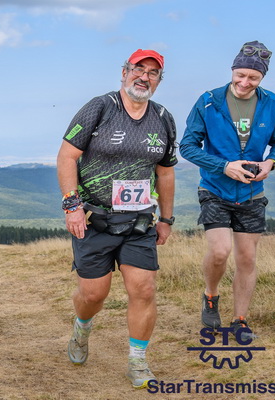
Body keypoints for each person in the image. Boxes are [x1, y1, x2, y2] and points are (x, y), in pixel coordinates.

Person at [57, 49, 177, 389]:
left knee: (144, 288)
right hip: (94, 218)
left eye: (153, 73)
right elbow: (66, 157)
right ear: (124, 72)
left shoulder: (163, 118)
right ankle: (82, 328)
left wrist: (166, 218)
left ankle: (138, 362)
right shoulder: (100, 108)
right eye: (139, 69)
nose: (144, 77)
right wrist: (72, 206)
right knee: (93, 295)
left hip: (139, 221)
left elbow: (165, 173)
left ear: (159, 81)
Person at [179, 41, 275, 340]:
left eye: (253, 77)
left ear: (262, 77)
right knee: (219, 251)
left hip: (253, 192)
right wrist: (224, 166)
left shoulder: (272, 102)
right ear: (232, 70)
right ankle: (210, 295)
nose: (245, 82)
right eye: (240, 75)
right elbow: (187, 146)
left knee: (247, 258)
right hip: (215, 188)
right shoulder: (208, 101)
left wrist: (271, 162)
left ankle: (240, 319)